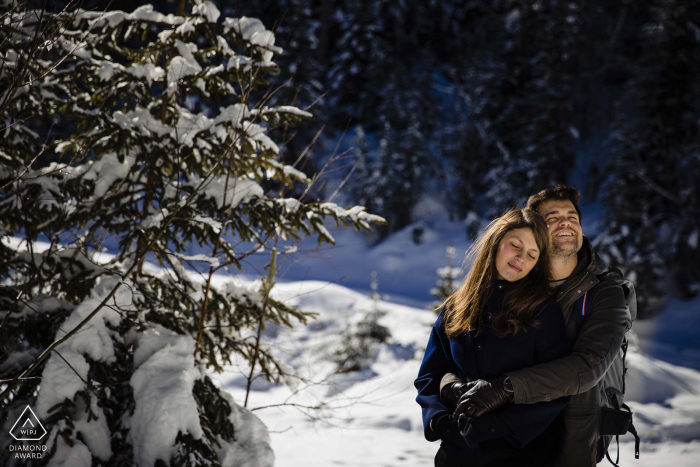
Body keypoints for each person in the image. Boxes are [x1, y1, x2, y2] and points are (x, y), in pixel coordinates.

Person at [441, 185, 630, 467]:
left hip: (571, 444)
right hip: (506, 446)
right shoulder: (515, 285)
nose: (565, 222)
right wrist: (451, 389)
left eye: (572, 217)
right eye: (552, 217)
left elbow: (588, 365)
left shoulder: (605, 293)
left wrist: (503, 388)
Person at [415, 208, 571, 467]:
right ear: (496, 242)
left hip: (521, 455)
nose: (521, 258)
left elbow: (556, 389)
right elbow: (429, 375)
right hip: (457, 453)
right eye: (515, 246)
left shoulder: (543, 311)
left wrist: (496, 426)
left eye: (532, 255)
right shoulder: (458, 305)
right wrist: (439, 421)